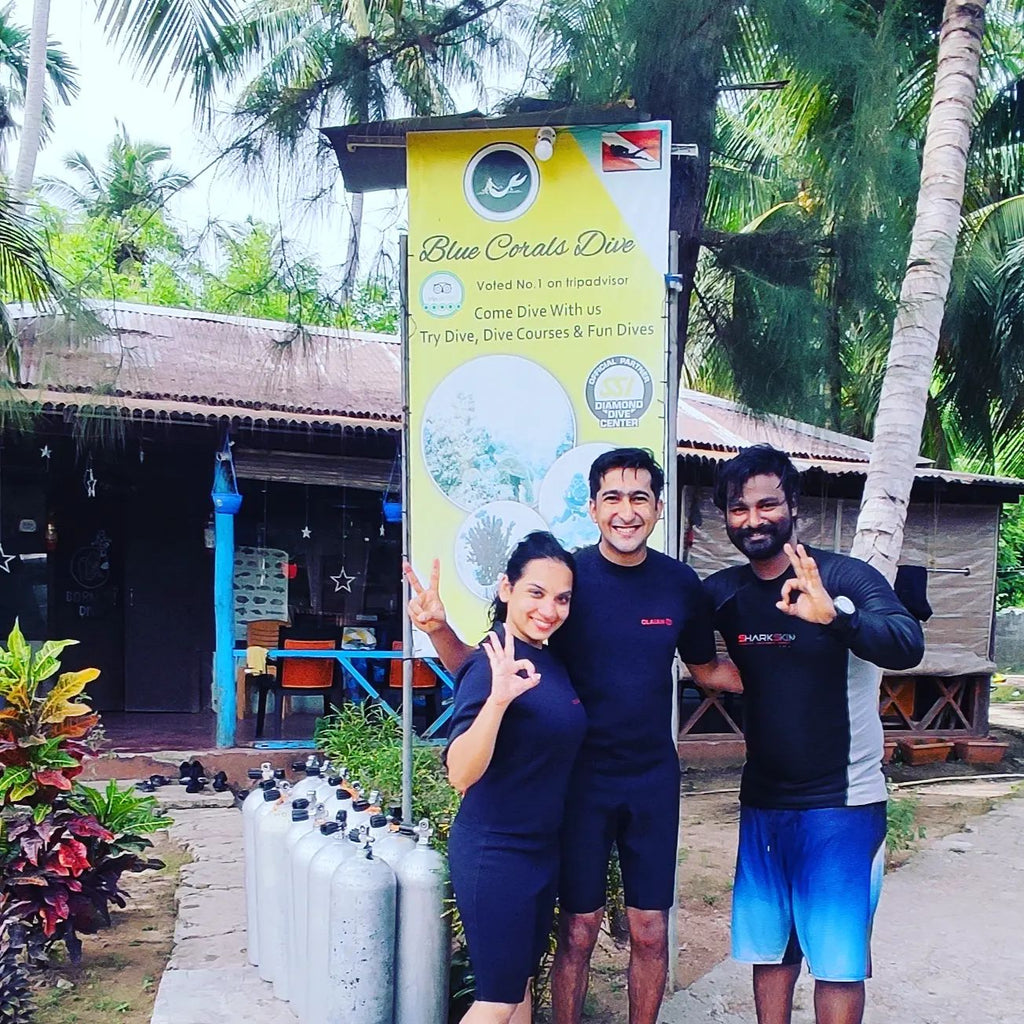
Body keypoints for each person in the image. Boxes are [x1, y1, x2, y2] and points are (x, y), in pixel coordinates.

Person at [406, 448, 741, 1024]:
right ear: (592, 507)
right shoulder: (569, 580)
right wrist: (439, 631)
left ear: (658, 508)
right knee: (578, 929)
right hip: (581, 785)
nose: (626, 511)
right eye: (612, 497)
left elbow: (709, 672)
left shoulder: (682, 586)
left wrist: (794, 670)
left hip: (652, 781)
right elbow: (488, 666)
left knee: (650, 930)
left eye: (640, 498)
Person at [704, 444, 925, 1024]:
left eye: (767, 504)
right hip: (764, 803)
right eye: (739, 509)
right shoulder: (724, 593)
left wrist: (837, 618)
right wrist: (707, 670)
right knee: (771, 951)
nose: (753, 520)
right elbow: (673, 636)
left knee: (837, 961)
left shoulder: (846, 576)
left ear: (793, 506)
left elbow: (906, 643)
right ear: (726, 517)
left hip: (842, 805)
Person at [445, 531, 586, 1024]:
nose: (549, 608)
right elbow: (460, 772)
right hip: (495, 851)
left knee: (517, 986)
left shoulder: (548, 656)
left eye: (562, 598)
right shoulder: (492, 663)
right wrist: (498, 702)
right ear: (506, 589)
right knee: (496, 999)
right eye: (536, 592)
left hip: (539, 849)